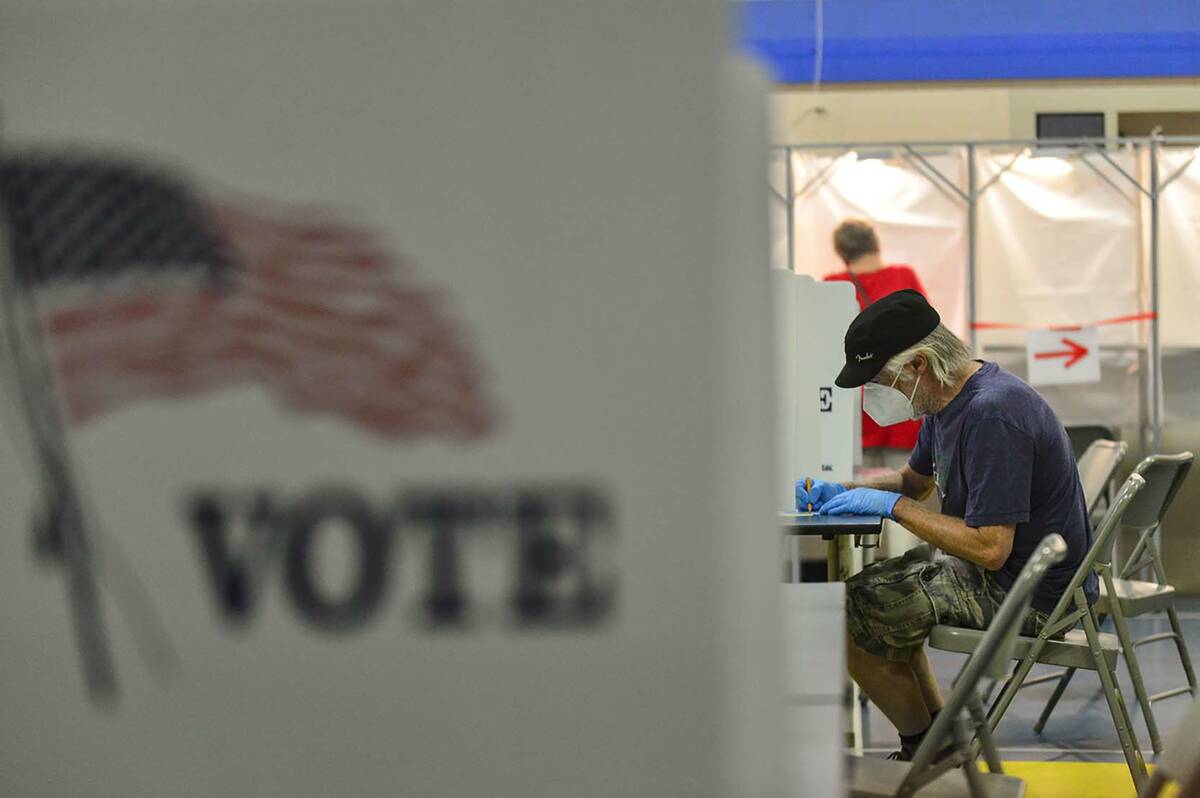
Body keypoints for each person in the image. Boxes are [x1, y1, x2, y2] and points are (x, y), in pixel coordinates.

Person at [795, 289, 1095, 762]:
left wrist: (891, 506)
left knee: (847, 617)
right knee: (876, 599)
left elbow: (989, 547)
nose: (878, 396)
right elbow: (915, 481)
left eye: (880, 382)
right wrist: (847, 488)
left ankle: (926, 750)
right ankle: (940, 741)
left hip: (1030, 597)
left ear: (919, 365)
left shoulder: (992, 414)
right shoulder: (947, 402)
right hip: (1007, 574)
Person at [823, 219, 928, 470]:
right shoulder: (904, 277)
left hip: (855, 408)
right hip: (903, 402)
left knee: (859, 494)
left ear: (841, 252)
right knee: (906, 490)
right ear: (874, 243)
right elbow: (929, 334)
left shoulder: (833, 286)